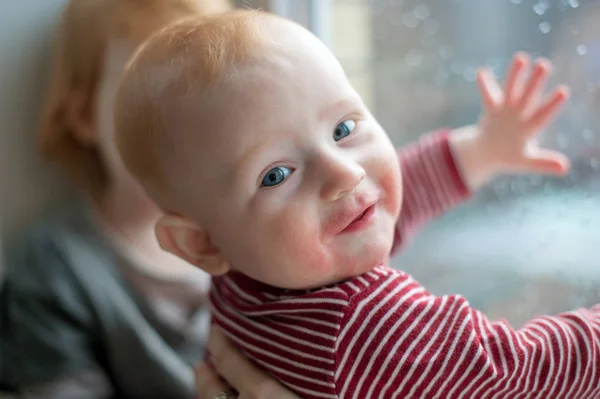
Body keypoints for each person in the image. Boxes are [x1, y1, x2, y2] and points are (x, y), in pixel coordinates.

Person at [114, 9, 600, 398]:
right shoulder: (363, 324)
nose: (344, 174)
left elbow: (377, 209)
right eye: (277, 175)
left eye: (343, 130)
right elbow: (523, 371)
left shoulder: (251, 272)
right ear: (198, 243)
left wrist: (478, 151)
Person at [0, 1, 298, 398]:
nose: (188, 122)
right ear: (85, 115)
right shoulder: (57, 270)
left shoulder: (269, 224)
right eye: (145, 91)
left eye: (208, 91)